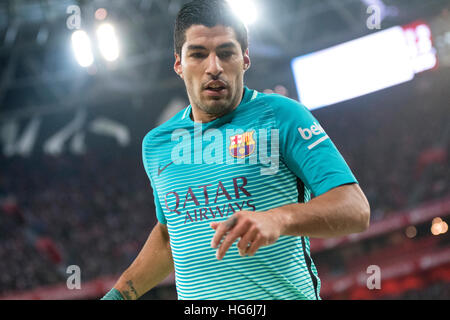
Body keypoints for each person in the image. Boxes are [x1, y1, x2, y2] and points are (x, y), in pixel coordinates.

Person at [102, 0, 370, 300]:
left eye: (226, 53)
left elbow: (355, 208)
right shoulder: (157, 144)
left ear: (244, 60)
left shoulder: (282, 115)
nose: (213, 67)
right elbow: (168, 238)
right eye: (198, 54)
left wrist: (278, 219)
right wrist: (119, 295)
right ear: (179, 64)